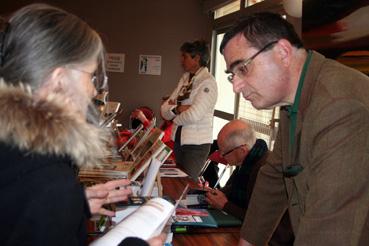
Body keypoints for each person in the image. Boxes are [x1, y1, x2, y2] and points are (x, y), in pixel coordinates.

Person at [0, 4, 163, 246]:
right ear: (59, 80)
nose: (94, 89)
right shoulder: (46, 176)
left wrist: (73, 206)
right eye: (91, 75)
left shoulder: (18, 150)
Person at [220, 12, 369, 246]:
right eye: (232, 75)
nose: (236, 87)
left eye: (243, 69)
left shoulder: (340, 106)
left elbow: (329, 229)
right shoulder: (293, 101)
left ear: (283, 52)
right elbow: (275, 176)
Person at [205, 119, 294, 245]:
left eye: (223, 152)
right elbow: (230, 189)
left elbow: (262, 221)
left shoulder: (266, 171)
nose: (220, 156)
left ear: (242, 150)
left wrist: (225, 205)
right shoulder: (246, 163)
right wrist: (211, 194)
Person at [161, 40, 217, 179]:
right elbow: (164, 110)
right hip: (179, 140)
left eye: (185, 56)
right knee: (177, 181)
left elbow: (194, 115)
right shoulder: (186, 79)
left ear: (196, 58)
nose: (181, 60)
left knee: (186, 184)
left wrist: (175, 116)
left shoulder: (208, 82)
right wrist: (179, 108)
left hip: (196, 145)